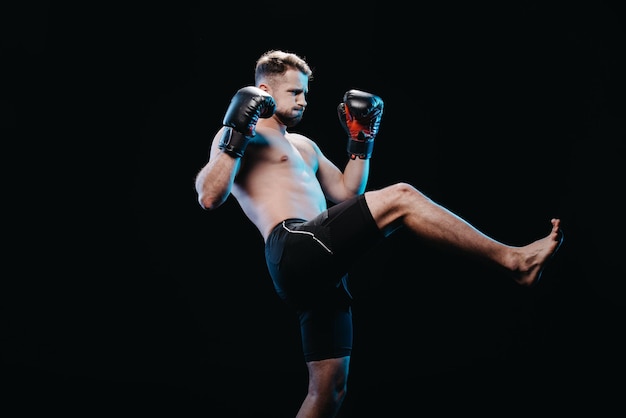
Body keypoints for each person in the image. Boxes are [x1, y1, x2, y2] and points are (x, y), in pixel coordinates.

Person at [194, 49, 564, 418]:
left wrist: (361, 141)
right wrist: (235, 134)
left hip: (323, 264)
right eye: (294, 93)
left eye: (305, 92)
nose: (304, 100)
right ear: (263, 90)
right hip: (293, 245)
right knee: (401, 197)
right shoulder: (245, 132)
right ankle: (514, 260)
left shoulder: (304, 145)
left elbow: (347, 194)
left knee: (329, 390)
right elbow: (209, 195)